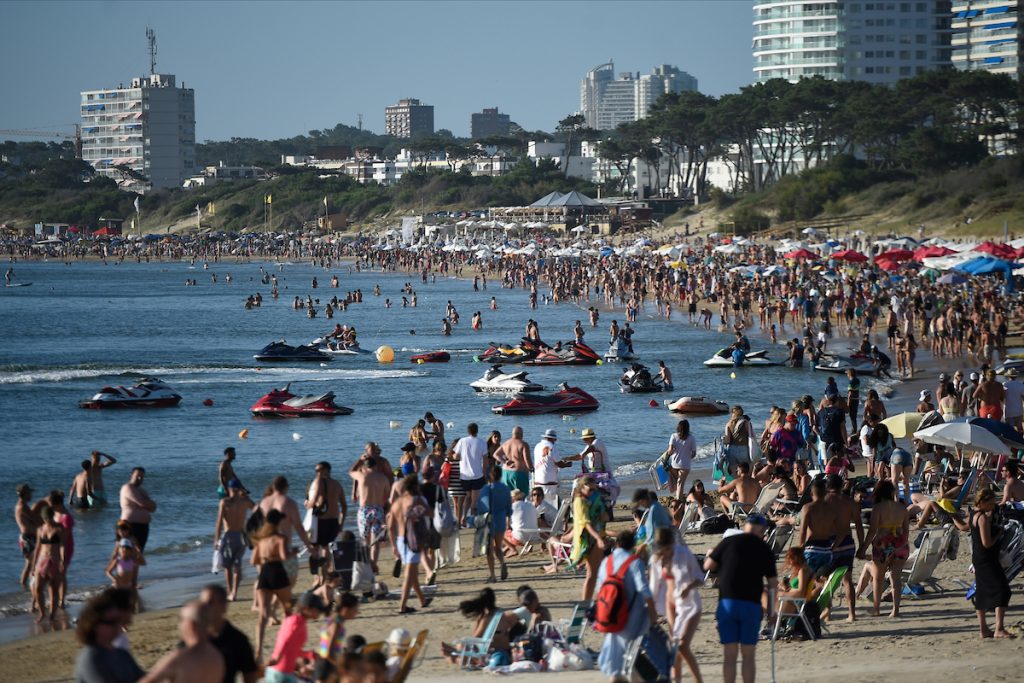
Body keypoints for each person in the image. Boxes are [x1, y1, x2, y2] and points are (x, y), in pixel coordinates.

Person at [703, 514, 778, 683]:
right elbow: (773, 584)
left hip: (727, 604)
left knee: (730, 656)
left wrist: (718, 557)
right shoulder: (764, 549)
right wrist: (772, 613)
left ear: (745, 527)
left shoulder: (728, 541)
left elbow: (708, 566)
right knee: (748, 656)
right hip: (751, 606)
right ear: (761, 531)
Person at [595, 530, 659, 681]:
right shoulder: (634, 562)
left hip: (609, 616)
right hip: (631, 619)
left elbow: (599, 590)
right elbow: (644, 590)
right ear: (632, 546)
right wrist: (652, 613)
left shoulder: (607, 562)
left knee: (617, 664)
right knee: (629, 664)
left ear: (617, 544)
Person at [649, 527, 704, 683]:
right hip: (670, 603)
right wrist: (650, 609)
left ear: (672, 544)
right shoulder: (656, 559)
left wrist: (688, 587)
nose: (666, 552)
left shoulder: (683, 553)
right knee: (675, 648)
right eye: (663, 549)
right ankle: (676, 679)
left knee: (683, 646)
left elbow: (700, 578)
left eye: (668, 549)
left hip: (690, 603)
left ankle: (699, 680)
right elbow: (654, 587)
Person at [138, 601, 225, 683]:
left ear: (191, 625)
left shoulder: (180, 658)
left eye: (182, 620)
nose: (180, 625)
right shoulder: (216, 656)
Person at [860, 480, 909, 618]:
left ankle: (877, 609)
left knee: (878, 578)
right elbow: (906, 530)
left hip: (882, 545)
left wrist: (863, 548)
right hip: (900, 544)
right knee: (896, 578)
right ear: (892, 492)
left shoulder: (878, 508)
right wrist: (900, 542)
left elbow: (872, 530)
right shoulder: (902, 508)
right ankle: (895, 610)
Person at [969, 488, 1014, 639]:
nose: (993, 506)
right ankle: (999, 628)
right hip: (987, 558)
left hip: (979, 558)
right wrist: (1000, 533)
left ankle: (984, 630)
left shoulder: (973, 514)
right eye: (991, 503)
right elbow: (987, 543)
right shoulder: (982, 518)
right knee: (1003, 590)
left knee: (981, 592)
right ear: (982, 502)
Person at [440, 588, 524, 667]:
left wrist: (478, 621)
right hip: (506, 650)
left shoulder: (485, 618)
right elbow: (517, 626)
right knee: (464, 647)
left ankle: (453, 655)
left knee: (463, 646)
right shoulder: (504, 614)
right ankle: (453, 652)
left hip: (490, 653)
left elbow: (476, 637)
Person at [74, 591, 145, 683]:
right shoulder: (91, 657)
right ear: (94, 625)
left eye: (118, 620)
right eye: (111, 622)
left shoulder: (122, 654)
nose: (118, 625)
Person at [251, 509, 294, 657]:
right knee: (288, 610)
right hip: (278, 572)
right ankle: (287, 645)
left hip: (264, 574)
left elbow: (253, 561)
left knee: (263, 615)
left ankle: (258, 649)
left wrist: (266, 558)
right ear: (278, 522)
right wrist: (293, 553)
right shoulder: (280, 538)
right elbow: (284, 556)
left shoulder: (261, 539)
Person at [388, 474, 433, 615]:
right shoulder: (417, 500)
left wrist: (394, 546)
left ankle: (422, 600)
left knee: (412, 572)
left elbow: (390, 526)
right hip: (413, 539)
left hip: (400, 540)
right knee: (409, 573)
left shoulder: (397, 503)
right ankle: (402, 606)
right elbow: (431, 513)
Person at [258, 476, 313, 588]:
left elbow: (258, 527)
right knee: (289, 581)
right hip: (284, 547)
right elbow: (298, 527)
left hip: (266, 547)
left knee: (269, 581)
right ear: (286, 487)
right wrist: (309, 545)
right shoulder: (289, 503)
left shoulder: (263, 503)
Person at [199, 584, 258, 683]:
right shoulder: (194, 638)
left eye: (210, 603)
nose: (205, 608)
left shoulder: (238, 640)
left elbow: (250, 675)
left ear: (224, 605)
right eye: (202, 604)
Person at [825, 474, 864, 621]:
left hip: (830, 543)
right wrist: (862, 546)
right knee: (847, 580)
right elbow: (859, 525)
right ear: (842, 486)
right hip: (847, 542)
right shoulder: (850, 502)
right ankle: (851, 614)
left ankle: (828, 613)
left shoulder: (824, 502)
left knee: (827, 579)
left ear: (827, 487)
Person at [264, 593, 327, 683]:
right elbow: (285, 640)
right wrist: (276, 658)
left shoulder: (295, 620)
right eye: (318, 610)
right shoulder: (296, 622)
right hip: (281, 671)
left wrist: (308, 654)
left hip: (282, 671)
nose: (320, 613)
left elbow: (291, 648)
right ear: (307, 608)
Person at [349, 454, 390, 574]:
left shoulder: (362, 475)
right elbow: (387, 497)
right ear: (375, 466)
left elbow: (351, 471)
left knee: (364, 540)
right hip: (378, 509)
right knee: (375, 540)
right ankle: (373, 564)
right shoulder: (383, 478)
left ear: (365, 467)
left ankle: (366, 565)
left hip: (364, 510)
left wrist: (359, 460)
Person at [570, 475, 609, 601]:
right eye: (590, 490)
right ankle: (585, 602)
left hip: (595, 537)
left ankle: (592, 600)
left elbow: (605, 517)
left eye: (594, 489)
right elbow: (585, 524)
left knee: (595, 573)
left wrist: (601, 508)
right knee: (592, 574)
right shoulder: (579, 502)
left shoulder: (593, 500)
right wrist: (598, 539)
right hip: (587, 539)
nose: (593, 492)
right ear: (581, 488)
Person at [214, 480, 254, 601]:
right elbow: (258, 511)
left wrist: (216, 540)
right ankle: (232, 592)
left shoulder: (228, 502)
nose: (235, 491)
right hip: (236, 536)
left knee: (232, 566)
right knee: (233, 565)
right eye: (236, 489)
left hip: (233, 536)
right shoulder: (238, 502)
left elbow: (219, 522)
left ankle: (232, 591)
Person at [306, 462, 347, 575]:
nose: (317, 473)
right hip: (333, 521)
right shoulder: (337, 484)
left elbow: (313, 502)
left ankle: (321, 577)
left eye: (319, 470)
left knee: (316, 548)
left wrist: (307, 504)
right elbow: (344, 505)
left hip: (321, 521)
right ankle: (328, 574)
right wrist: (341, 523)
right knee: (327, 548)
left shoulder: (318, 481)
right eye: (316, 470)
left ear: (326, 471)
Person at [797, 478, 838, 578]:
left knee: (807, 580)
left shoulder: (808, 507)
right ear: (826, 493)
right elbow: (837, 531)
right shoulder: (832, 508)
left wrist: (800, 548)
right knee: (822, 581)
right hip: (827, 548)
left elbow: (802, 531)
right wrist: (834, 546)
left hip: (812, 548)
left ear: (811, 493)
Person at [31, 503, 66, 621]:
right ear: (43, 518)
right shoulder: (40, 529)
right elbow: (37, 548)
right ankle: (42, 613)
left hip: (54, 560)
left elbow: (62, 546)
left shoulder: (59, 528)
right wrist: (33, 565)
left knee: (53, 589)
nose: (48, 521)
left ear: (52, 516)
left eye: (50, 518)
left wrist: (62, 561)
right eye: (46, 519)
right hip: (41, 560)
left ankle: (52, 614)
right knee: (38, 589)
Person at [315, 592, 360, 683]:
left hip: (322, 661)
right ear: (345, 609)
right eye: (355, 609)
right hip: (326, 664)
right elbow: (328, 652)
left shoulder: (332, 619)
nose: (357, 612)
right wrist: (341, 668)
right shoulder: (336, 625)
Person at [477, 466, 512, 582]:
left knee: (489, 549)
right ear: (501, 476)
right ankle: (502, 563)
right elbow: (508, 507)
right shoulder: (506, 489)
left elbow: (483, 506)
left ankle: (492, 575)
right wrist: (509, 518)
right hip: (501, 519)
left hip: (489, 520)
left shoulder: (486, 489)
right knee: (498, 546)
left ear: (490, 475)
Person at [451, 423, 487, 524]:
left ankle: (464, 517)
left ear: (468, 431)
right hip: (477, 474)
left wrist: (458, 457)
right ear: (477, 430)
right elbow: (485, 460)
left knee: (468, 497)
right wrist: (484, 473)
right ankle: (471, 520)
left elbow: (456, 456)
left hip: (464, 475)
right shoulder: (482, 442)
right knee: (474, 501)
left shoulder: (462, 441)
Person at [119, 467, 156, 553]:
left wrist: (148, 505)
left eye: (142, 477)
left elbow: (153, 507)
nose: (140, 479)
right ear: (131, 475)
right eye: (138, 476)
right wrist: (147, 504)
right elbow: (142, 503)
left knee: (139, 553)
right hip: (130, 525)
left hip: (143, 526)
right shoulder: (127, 488)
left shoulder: (141, 490)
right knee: (128, 553)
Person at [15, 483, 42, 589]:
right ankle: (30, 586)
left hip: (27, 537)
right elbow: (35, 519)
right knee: (31, 564)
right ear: (25, 494)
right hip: (28, 538)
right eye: (30, 493)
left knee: (29, 564)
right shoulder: (23, 506)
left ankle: (25, 587)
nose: (31, 495)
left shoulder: (20, 505)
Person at [662, 420, 696, 500]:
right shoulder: (691, 438)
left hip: (675, 464)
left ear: (678, 427)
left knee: (678, 483)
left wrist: (670, 453)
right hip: (685, 465)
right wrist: (688, 457)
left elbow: (670, 451)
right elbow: (693, 453)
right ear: (688, 428)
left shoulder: (673, 436)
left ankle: (678, 497)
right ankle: (679, 500)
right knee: (680, 484)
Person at [492, 426, 533, 495]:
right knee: (520, 496)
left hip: (505, 473)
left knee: (508, 496)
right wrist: (531, 469)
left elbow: (496, 454)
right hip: (518, 473)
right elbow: (527, 459)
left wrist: (505, 462)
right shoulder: (523, 444)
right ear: (521, 434)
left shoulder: (506, 443)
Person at [532, 429, 561, 504]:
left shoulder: (537, 446)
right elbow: (559, 463)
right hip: (549, 481)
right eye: (554, 440)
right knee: (549, 503)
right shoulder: (552, 447)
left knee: (539, 503)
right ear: (552, 438)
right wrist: (568, 464)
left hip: (537, 480)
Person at [722, 406, 752, 473]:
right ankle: (745, 482)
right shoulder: (746, 422)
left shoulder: (728, 424)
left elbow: (728, 440)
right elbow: (751, 436)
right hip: (743, 448)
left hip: (732, 449)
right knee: (745, 469)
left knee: (734, 470)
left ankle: (736, 482)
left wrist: (723, 441)